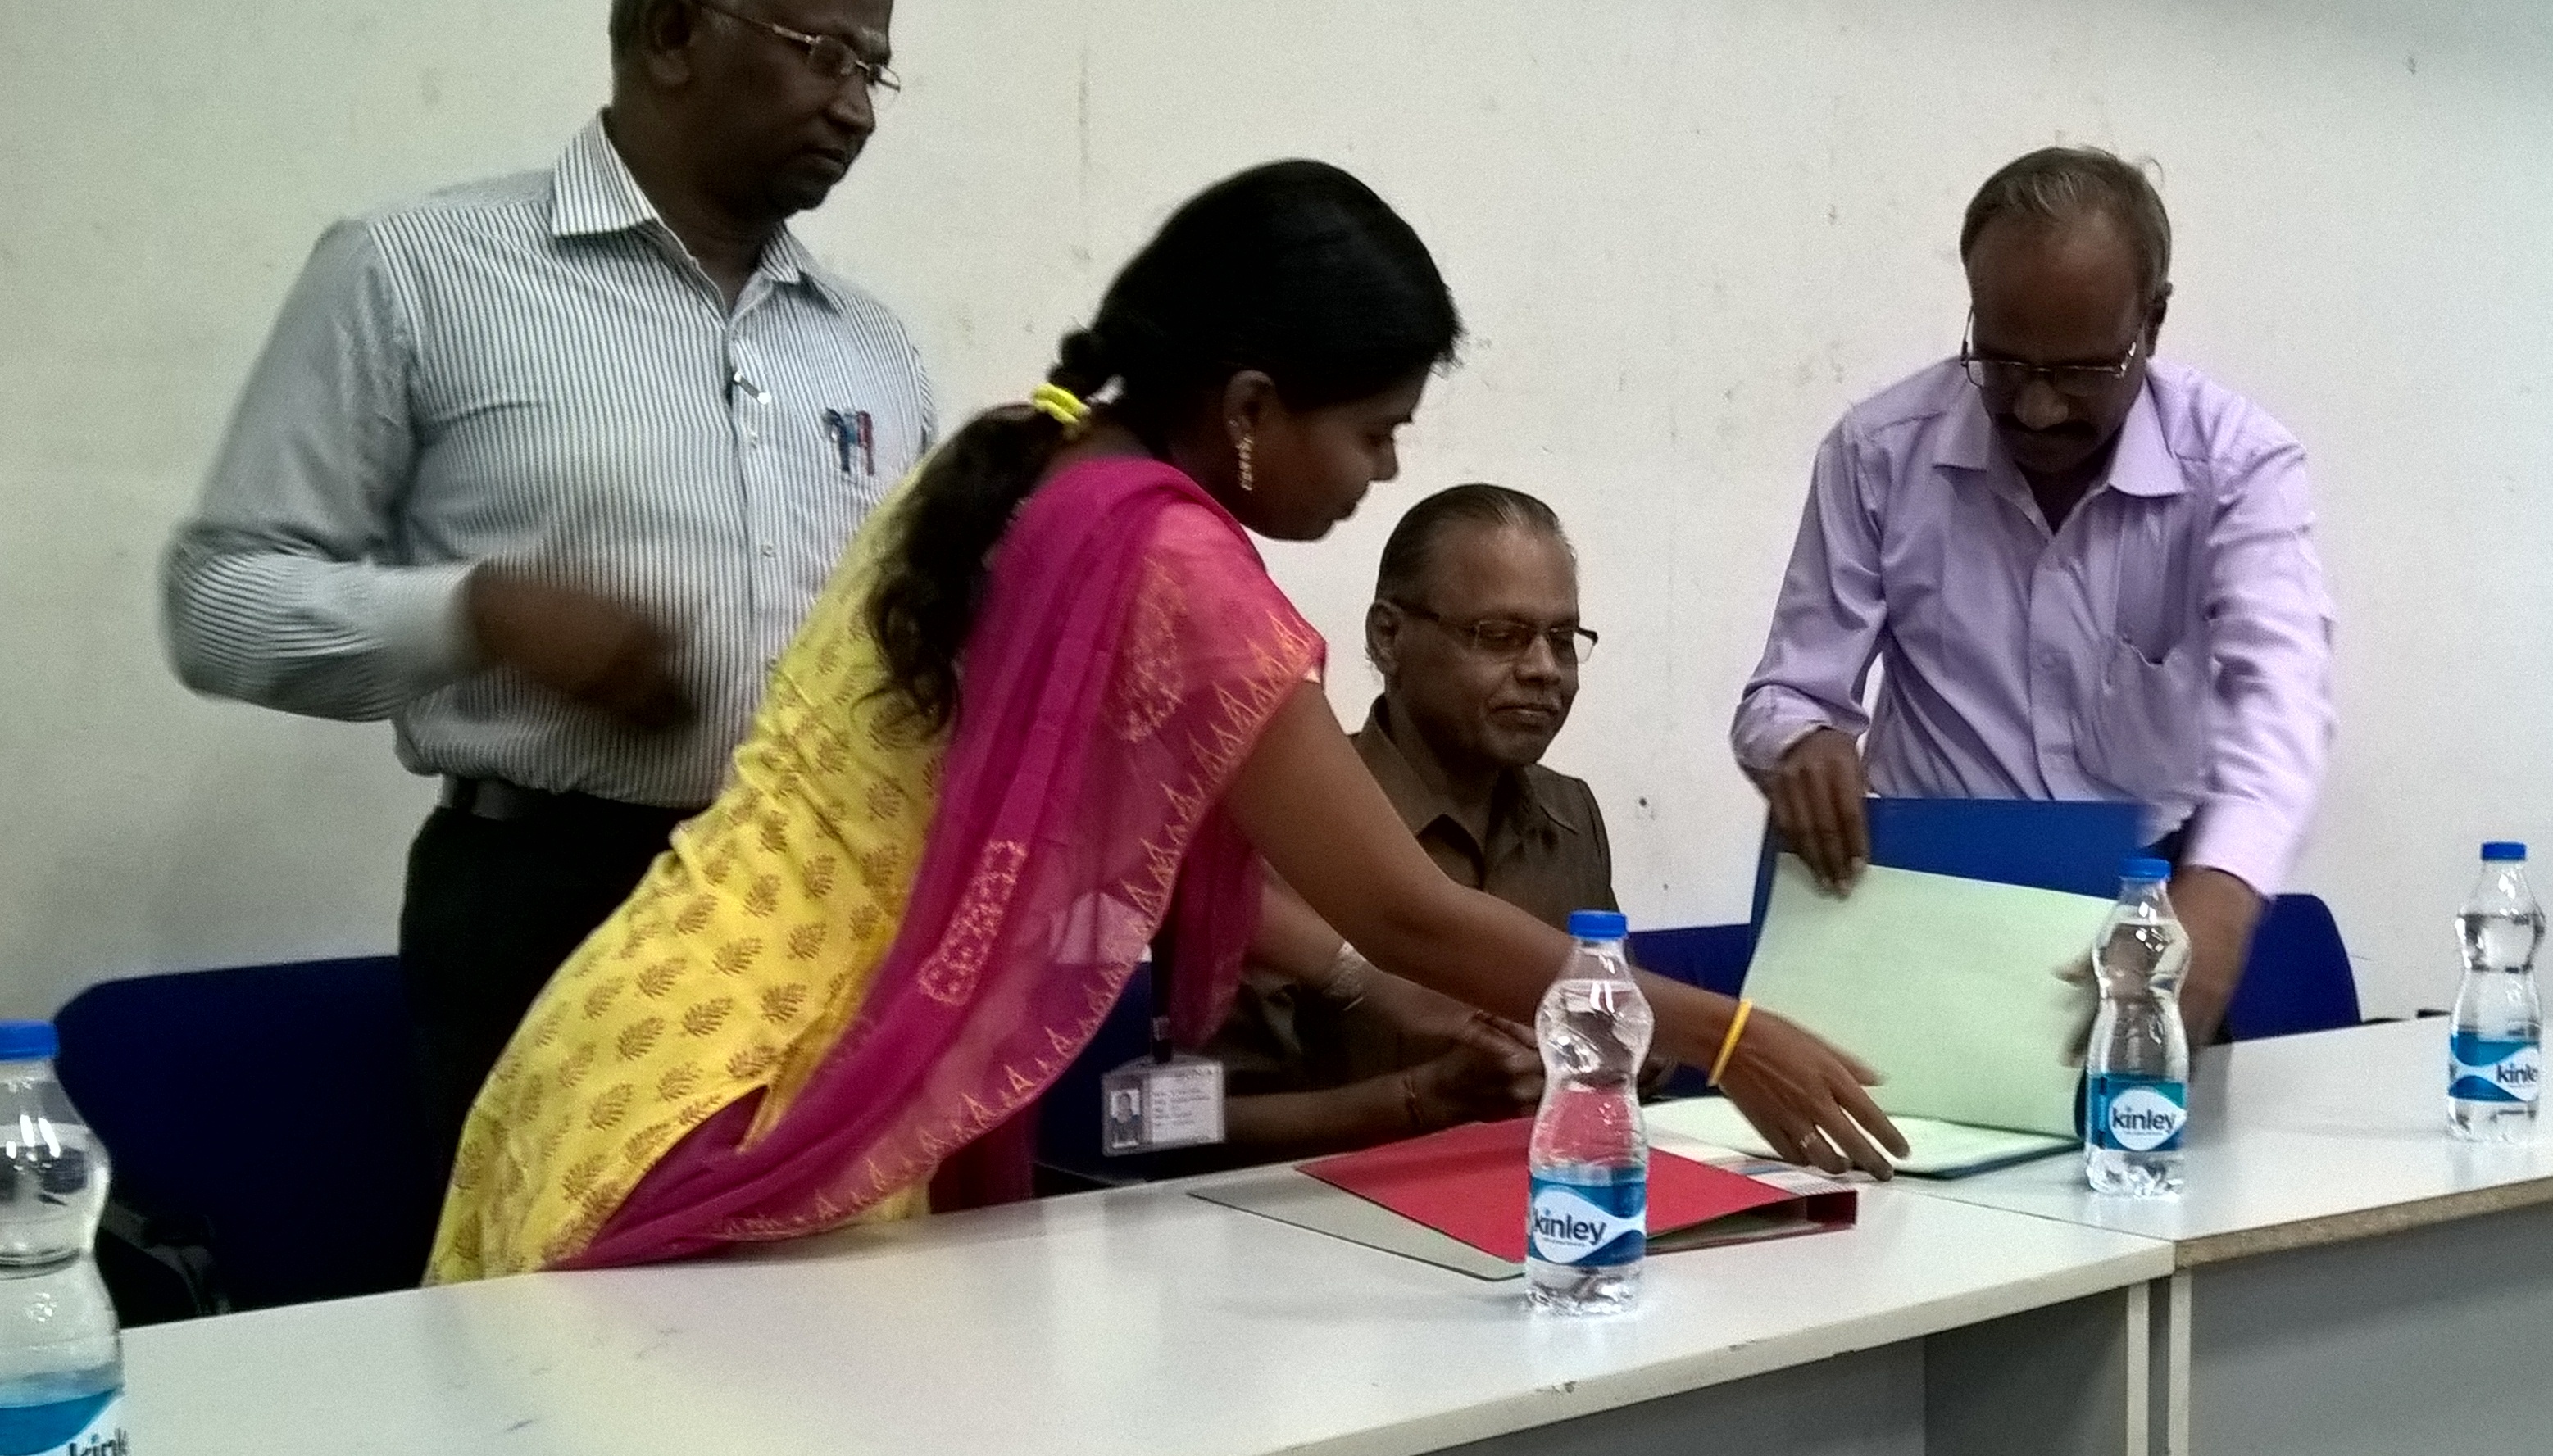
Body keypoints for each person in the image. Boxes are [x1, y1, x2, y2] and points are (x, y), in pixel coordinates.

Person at [429, 161, 1900, 1281]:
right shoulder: (1167, 562)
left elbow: (1218, 877)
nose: (1384, 472)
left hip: (637, 1041)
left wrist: (1374, 995)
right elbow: (1405, 908)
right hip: (763, 1101)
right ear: (1252, 407)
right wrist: (1728, 1033)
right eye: (1374, 430)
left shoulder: (1028, 464)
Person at [163, 0, 934, 1168]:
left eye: (874, 67)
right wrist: (478, 615)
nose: (857, 107)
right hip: (548, 905)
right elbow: (219, 602)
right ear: (672, 33)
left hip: (820, 909)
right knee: (548, 1280)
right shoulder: (418, 272)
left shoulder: (871, 347)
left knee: (841, 1278)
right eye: (823, 55)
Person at [1733, 147, 2338, 1040]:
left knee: (2143, 1127)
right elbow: (1784, 693)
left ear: (2152, 321)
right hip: (1926, 902)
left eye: (2080, 373)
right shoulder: (1879, 454)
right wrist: (1802, 739)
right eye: (2004, 363)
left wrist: (2220, 895)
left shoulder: (2238, 466)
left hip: (2154, 894)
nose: (2037, 408)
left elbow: (2281, 694)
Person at [1207, 484, 1622, 1163]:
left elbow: (1609, 1032)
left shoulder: (1571, 815)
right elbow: (1190, 1126)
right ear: (1389, 637)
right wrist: (1424, 1098)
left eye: (1562, 639)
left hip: (1547, 1200)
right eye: (1500, 636)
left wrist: (1632, 1050)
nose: (1544, 670)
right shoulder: (1286, 824)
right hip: (1329, 1216)